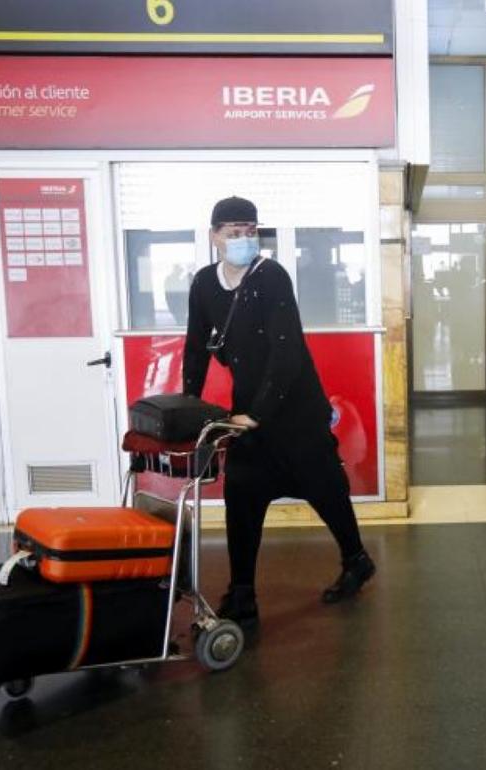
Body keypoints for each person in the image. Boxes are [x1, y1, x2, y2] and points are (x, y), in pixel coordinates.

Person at [183, 196, 375, 628]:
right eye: (233, 232)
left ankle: (356, 559)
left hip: (296, 408)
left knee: (326, 490)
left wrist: (256, 415)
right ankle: (243, 591)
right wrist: (188, 408)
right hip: (250, 410)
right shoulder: (203, 285)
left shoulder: (270, 276)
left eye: (250, 231)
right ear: (214, 236)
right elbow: (195, 349)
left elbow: (287, 353)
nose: (243, 239)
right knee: (242, 496)